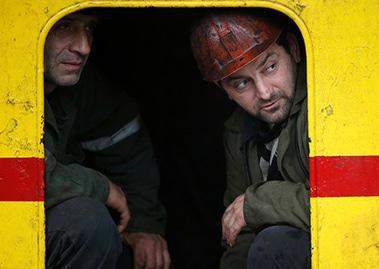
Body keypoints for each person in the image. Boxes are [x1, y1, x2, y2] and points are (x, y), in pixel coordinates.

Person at [43, 10, 171, 269]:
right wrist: (101, 188)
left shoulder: (80, 85)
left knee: (121, 250)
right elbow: (13, 177)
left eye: (89, 28)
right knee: (88, 223)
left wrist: (141, 225)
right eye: (64, 26)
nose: (84, 47)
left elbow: (125, 145)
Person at [190, 11, 310, 269]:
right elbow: (238, 230)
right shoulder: (237, 132)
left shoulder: (325, 110)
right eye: (242, 84)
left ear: (294, 49)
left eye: (270, 67)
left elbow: (344, 205)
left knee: (276, 244)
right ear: (223, 90)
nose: (265, 92)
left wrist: (258, 202)